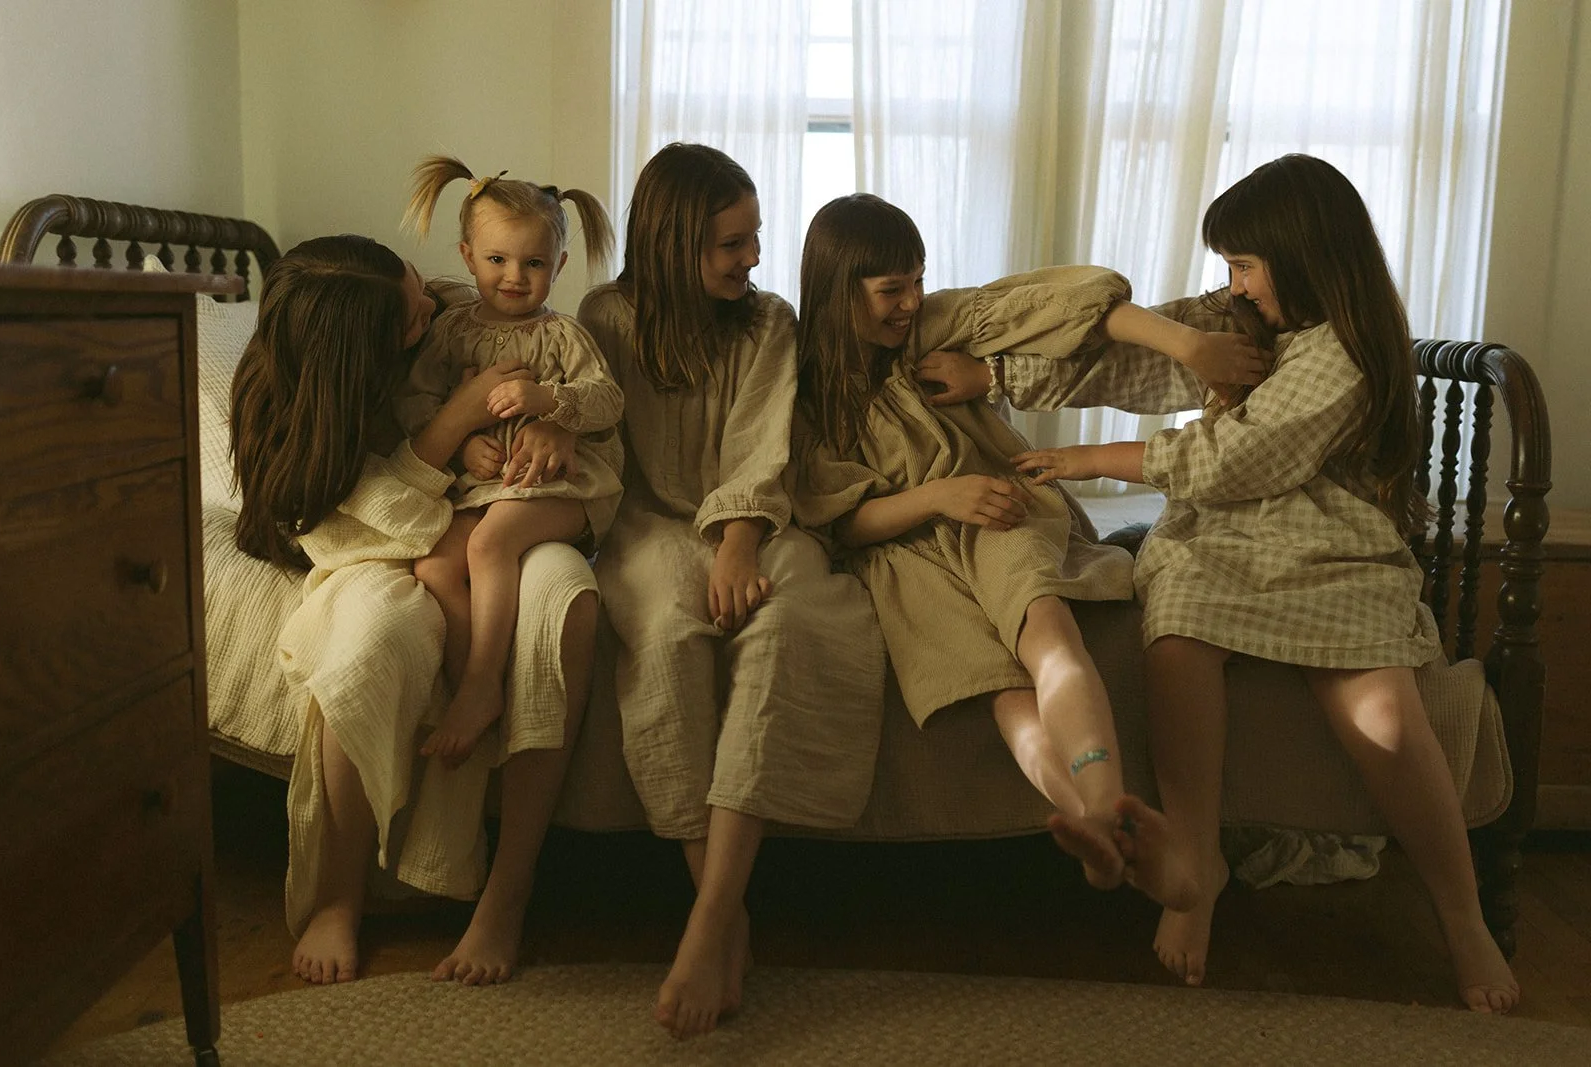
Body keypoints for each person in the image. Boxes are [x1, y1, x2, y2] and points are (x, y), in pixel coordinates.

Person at [1006, 154, 1520, 1012]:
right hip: (1225, 538)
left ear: (1304, 253)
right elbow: (1112, 360)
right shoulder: (1245, 323)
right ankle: (1197, 862)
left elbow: (1236, 458)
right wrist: (991, 367)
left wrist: (1082, 458)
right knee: (1177, 634)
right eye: (1229, 269)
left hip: (1331, 544)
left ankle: (1463, 917)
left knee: (1385, 714)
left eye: (1245, 265)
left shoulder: (1346, 353)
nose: (1233, 287)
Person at [791, 193, 1265, 909]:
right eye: (892, 289)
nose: (911, 302)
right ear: (836, 291)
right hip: (904, 555)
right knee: (1004, 693)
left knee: (1045, 631)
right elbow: (841, 523)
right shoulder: (809, 391)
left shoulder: (935, 327)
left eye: (919, 281)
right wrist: (935, 498)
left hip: (998, 510)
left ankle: (1107, 803)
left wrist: (1189, 346)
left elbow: (1068, 302)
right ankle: (1091, 825)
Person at [230, 234, 600, 987]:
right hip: (382, 542)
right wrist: (457, 421)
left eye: (418, 287)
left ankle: (510, 890)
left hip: (499, 510)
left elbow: (557, 384)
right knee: (367, 641)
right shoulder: (291, 407)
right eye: (411, 311)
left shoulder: (455, 318)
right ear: (362, 355)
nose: (432, 306)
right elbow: (355, 522)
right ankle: (339, 893)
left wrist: (554, 421)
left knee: (561, 603)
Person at [577, 144, 887, 1041]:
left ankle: (708, 920)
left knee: (783, 622)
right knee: (670, 636)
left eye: (754, 237)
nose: (754, 257)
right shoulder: (607, 316)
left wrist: (738, 543)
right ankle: (724, 907)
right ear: (675, 245)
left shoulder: (769, 324)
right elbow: (600, 438)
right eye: (732, 244)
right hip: (642, 519)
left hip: (757, 520)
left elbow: (762, 448)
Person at [398, 156, 624, 767]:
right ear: (468, 255)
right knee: (436, 564)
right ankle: (484, 683)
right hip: (483, 485)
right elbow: (415, 401)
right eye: (497, 260)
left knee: (490, 543)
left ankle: (477, 686)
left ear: (560, 267)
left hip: (564, 490)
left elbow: (608, 399)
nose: (515, 277)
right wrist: (463, 441)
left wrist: (551, 401)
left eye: (534, 263)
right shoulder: (449, 333)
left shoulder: (564, 335)